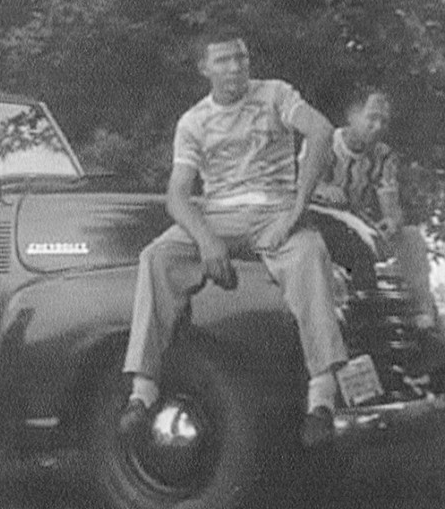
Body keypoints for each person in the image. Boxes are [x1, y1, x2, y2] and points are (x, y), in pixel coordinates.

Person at [119, 28, 348, 447]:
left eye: (241, 58)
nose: (235, 68)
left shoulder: (275, 94)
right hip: (218, 213)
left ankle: (322, 399)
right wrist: (206, 241)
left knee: (311, 253)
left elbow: (321, 132)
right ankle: (143, 390)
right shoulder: (193, 121)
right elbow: (177, 194)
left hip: (274, 211)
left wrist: (295, 212)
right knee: (156, 256)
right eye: (223, 60)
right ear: (204, 68)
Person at [313, 88, 437, 327]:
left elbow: (390, 203)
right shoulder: (325, 142)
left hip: (359, 230)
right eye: (372, 117)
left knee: (410, 237)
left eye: (383, 121)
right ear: (352, 115)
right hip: (321, 225)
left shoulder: (384, 156)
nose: (378, 126)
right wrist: (322, 189)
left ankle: (422, 311)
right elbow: (299, 187)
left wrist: (392, 220)